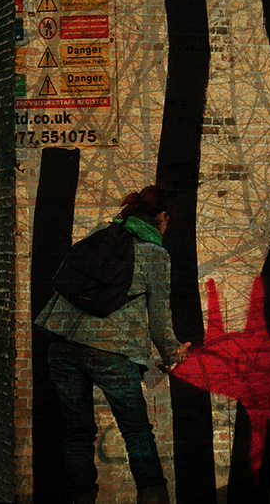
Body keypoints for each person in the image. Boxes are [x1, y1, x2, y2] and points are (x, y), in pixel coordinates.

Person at [35, 185, 191, 504]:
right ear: (162, 216)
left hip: (61, 341)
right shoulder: (155, 254)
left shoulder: (101, 233)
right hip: (111, 349)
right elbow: (159, 317)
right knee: (136, 432)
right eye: (168, 221)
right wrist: (173, 352)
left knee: (77, 433)